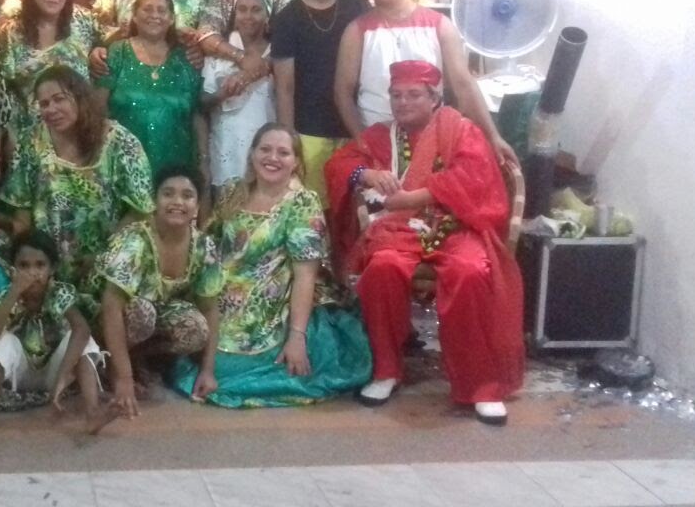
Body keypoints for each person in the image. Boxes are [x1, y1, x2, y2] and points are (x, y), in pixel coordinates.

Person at [323, 61, 524, 425]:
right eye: (396, 95)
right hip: (401, 229)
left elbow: (472, 179)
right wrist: (367, 173)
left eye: (413, 94)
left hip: (459, 226)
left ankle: (482, 387)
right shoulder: (382, 136)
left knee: (470, 272)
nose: (403, 102)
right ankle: (386, 370)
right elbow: (338, 165)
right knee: (382, 268)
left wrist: (412, 198)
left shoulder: (462, 130)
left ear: (434, 98)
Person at [170, 123, 372, 408]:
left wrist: (297, 337)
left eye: (283, 152)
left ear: (296, 162)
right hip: (219, 296)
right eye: (265, 149)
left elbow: (305, 276)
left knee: (227, 366)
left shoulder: (302, 204)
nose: (272, 158)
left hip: (271, 303)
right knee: (193, 346)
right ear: (252, 154)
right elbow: (209, 246)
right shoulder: (233, 191)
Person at [0, 66, 154, 317]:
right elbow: (21, 208)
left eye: (59, 99)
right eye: (44, 104)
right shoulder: (31, 141)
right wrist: (32, 267)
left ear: (80, 98)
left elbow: (140, 210)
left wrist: (104, 256)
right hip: (49, 267)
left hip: (107, 263)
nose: (51, 109)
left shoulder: (122, 143)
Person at [334, 0, 516, 165]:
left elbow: (463, 84)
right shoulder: (356, 30)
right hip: (377, 139)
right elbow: (342, 92)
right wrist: (361, 141)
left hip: (431, 142)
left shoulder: (440, 25)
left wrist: (493, 136)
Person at [0, 230, 115, 436]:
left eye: (40, 265)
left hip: (55, 373)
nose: (32, 273)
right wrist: (14, 292)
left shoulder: (59, 292)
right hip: (20, 375)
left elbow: (82, 330)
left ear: (52, 268)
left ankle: (93, 413)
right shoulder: (7, 295)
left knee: (85, 341)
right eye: (24, 266)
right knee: (1, 340)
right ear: (13, 269)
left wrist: (61, 379)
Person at [96, 167, 223, 419]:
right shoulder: (135, 240)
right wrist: (123, 379)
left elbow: (210, 308)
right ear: (155, 201)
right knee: (142, 313)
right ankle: (111, 364)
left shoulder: (203, 245)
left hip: (155, 314)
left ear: (197, 207)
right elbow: (111, 305)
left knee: (195, 328)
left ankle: (138, 361)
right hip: (104, 318)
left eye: (187, 195)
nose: (177, 202)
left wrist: (207, 372)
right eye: (168, 194)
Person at [272, 0, 371, 202]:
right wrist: (289, 144)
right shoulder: (287, 19)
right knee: (315, 209)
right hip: (310, 132)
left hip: (358, 126)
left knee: (358, 209)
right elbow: (284, 88)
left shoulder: (357, 3)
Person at [0, 0, 101, 173]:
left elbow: (114, 37)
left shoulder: (82, 25)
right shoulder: (10, 32)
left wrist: (99, 50)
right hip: (22, 137)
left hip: (76, 137)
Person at [96, 0, 204, 181]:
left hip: (176, 166)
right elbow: (98, 107)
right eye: (147, 9)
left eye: (161, 10)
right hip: (122, 164)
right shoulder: (118, 52)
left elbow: (197, 114)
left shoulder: (185, 58)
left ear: (171, 19)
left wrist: (204, 160)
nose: (155, 15)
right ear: (134, 16)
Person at [201, 0, 275, 195]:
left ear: (267, 16)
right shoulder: (218, 54)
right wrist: (222, 94)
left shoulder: (276, 53)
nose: (248, 16)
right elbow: (202, 103)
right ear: (234, 15)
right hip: (226, 149)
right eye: (242, 9)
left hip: (268, 151)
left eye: (256, 10)